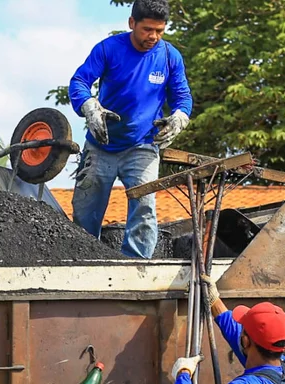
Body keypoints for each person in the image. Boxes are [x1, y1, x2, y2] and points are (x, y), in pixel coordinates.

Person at [67, 0, 193, 259]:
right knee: (85, 209)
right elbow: (79, 81)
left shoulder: (170, 56)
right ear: (131, 23)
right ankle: (83, 260)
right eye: (147, 29)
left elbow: (182, 96)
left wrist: (180, 117)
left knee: (144, 207)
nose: (153, 37)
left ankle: (135, 265)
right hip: (100, 145)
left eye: (160, 30)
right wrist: (89, 106)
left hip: (143, 146)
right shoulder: (108, 49)